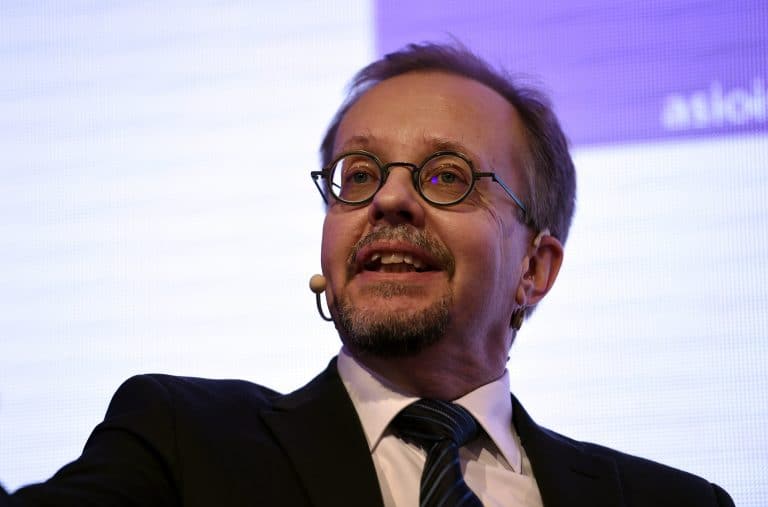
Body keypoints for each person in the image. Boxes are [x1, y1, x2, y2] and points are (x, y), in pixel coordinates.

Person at [1, 42, 733, 507]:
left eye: (446, 175)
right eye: (358, 174)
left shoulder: (673, 502)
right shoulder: (182, 442)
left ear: (534, 269)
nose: (388, 199)